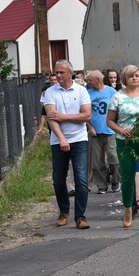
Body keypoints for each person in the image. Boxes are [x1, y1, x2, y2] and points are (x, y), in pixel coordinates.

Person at [106, 65, 139, 229]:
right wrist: (121, 130)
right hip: (125, 141)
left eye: (137, 75)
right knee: (128, 178)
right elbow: (110, 121)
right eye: (131, 76)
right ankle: (128, 209)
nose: (135, 78)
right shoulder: (117, 98)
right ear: (125, 79)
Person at [43, 59, 92, 229]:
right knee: (58, 179)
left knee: (81, 178)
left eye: (61, 72)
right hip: (58, 141)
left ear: (70, 73)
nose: (57, 75)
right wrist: (62, 138)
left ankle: (80, 216)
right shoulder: (50, 92)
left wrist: (64, 117)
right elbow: (51, 117)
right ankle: (64, 211)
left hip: (79, 139)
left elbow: (86, 116)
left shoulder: (81, 91)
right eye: (56, 72)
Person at [85, 70, 118, 194]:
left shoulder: (111, 92)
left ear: (98, 80)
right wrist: (89, 126)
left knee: (114, 159)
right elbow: (85, 112)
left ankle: (115, 181)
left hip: (110, 131)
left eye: (90, 80)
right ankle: (101, 185)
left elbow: (117, 110)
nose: (88, 82)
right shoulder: (88, 93)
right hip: (95, 131)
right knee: (97, 162)